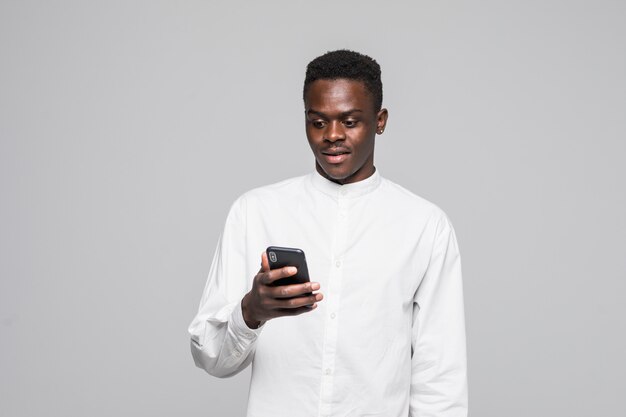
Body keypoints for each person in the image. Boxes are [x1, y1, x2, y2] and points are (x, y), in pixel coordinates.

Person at [188, 49, 468, 417]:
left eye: (350, 122)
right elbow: (211, 358)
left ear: (380, 121)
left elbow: (440, 379)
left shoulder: (425, 226)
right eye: (318, 122)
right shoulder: (254, 212)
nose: (332, 136)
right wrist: (251, 312)